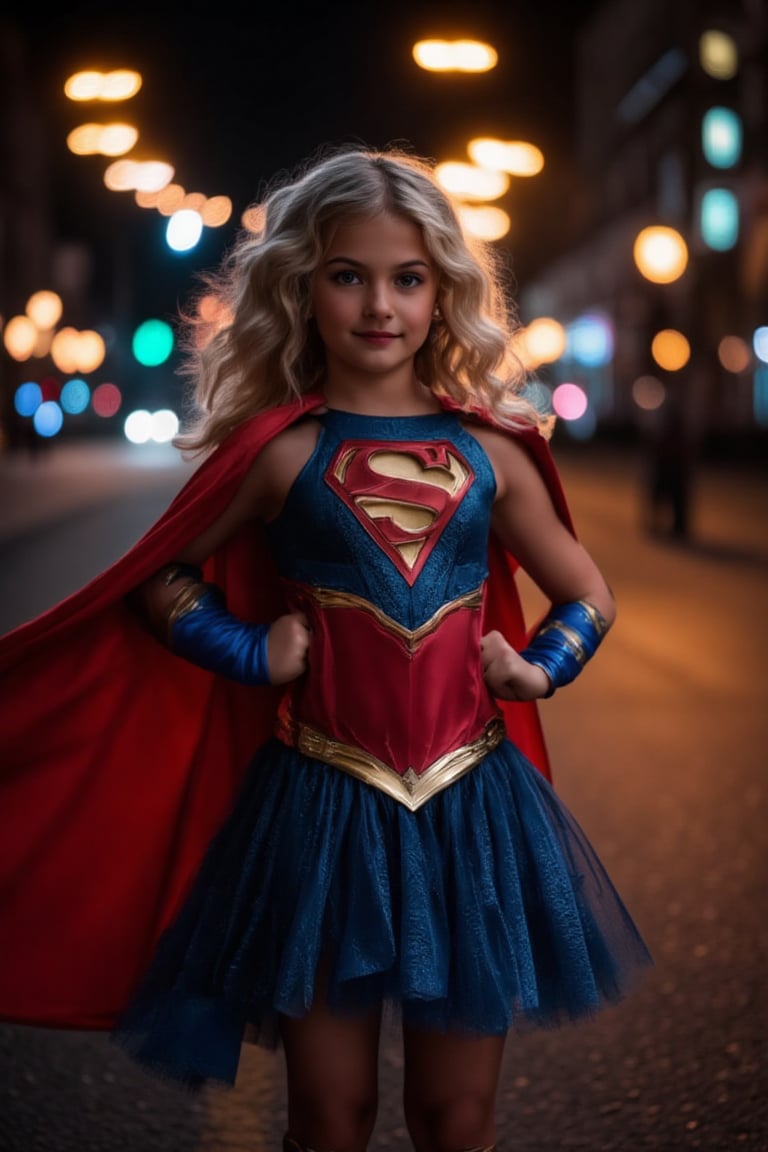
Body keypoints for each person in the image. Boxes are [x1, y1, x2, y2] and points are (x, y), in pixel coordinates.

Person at [0, 145, 652, 1152]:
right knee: (329, 1118)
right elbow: (159, 582)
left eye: (407, 277)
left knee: (458, 1116)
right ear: (303, 289)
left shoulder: (495, 451)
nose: (379, 304)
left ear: (443, 290)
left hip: (471, 811)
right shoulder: (280, 453)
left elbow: (586, 593)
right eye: (348, 276)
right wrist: (249, 650)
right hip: (319, 808)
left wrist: (540, 667)